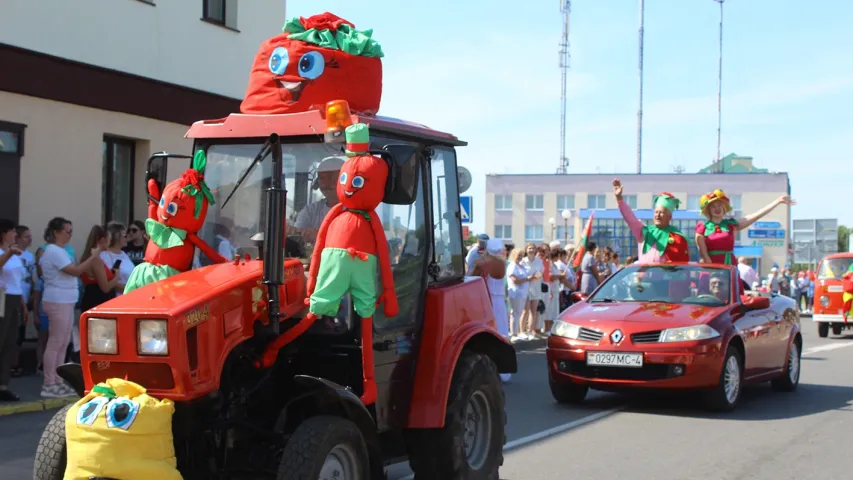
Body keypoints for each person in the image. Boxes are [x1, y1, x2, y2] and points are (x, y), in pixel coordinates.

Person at [39, 217, 103, 398]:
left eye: (71, 231)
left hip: (65, 300)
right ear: (55, 232)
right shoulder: (53, 251)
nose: (70, 235)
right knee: (56, 342)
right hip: (57, 300)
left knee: (63, 342)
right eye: (67, 231)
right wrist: (94, 256)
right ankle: (49, 383)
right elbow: (75, 271)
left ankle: (57, 380)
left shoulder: (60, 251)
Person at [695, 189, 795, 265]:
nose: (717, 209)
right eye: (713, 206)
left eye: (719, 205)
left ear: (724, 207)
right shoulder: (702, 228)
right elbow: (703, 253)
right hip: (711, 267)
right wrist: (714, 271)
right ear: (708, 210)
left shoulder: (731, 224)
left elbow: (755, 216)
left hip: (729, 265)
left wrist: (777, 201)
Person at [613, 179, 689, 263]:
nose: (658, 215)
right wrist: (619, 198)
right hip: (644, 275)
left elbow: (681, 264)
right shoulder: (645, 231)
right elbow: (630, 218)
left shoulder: (677, 237)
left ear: (669, 216)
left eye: (662, 212)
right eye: (656, 212)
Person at [472, 239, 511, 383]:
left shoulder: (481, 262)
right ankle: (504, 371)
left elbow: (472, 277)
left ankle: (490, 369)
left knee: (489, 332)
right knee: (502, 331)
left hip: (488, 299)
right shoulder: (501, 263)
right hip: (500, 300)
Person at [0, 219, 25, 401]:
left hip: (15, 298)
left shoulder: (14, 252)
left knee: (10, 343)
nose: (14, 234)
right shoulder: (6, 252)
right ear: (3, 233)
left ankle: (3, 385)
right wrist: (9, 253)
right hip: (3, 297)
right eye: (12, 231)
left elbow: (18, 281)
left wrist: (23, 305)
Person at [292, 156, 345, 240]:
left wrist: (319, 234)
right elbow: (295, 234)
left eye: (333, 179)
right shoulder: (310, 211)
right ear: (317, 182)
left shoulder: (356, 211)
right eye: (322, 179)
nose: (326, 184)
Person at [520, 243, 544, 339]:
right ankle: (521, 331)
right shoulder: (523, 261)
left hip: (536, 288)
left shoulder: (538, 261)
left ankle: (530, 331)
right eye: (529, 248)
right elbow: (521, 274)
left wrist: (536, 277)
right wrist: (529, 277)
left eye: (533, 248)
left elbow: (541, 272)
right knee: (525, 311)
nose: (531, 250)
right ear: (526, 250)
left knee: (533, 311)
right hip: (525, 288)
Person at [506, 248, 530, 343]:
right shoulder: (512, 266)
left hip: (522, 293)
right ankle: (513, 334)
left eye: (521, 255)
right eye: (518, 255)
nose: (519, 257)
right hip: (516, 293)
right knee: (515, 313)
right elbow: (515, 280)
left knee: (518, 313)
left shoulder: (521, 266)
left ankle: (517, 332)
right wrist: (527, 278)